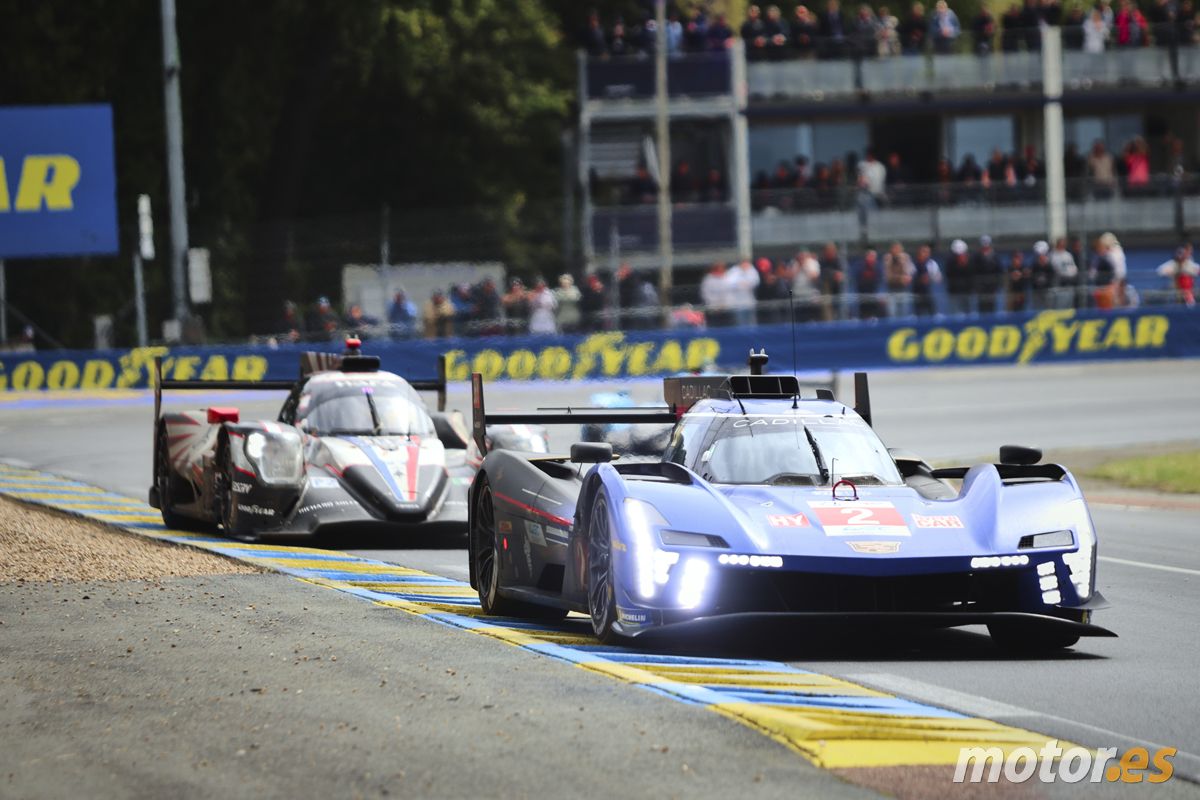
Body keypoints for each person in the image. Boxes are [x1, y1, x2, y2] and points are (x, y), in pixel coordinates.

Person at [972, 235, 1003, 313]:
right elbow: (974, 271)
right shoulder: (976, 256)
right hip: (981, 286)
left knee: (992, 304)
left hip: (992, 285)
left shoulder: (995, 255)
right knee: (982, 305)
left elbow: (999, 270)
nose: (985, 246)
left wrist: (998, 283)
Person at [883, 241, 915, 317]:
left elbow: (911, 272)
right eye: (895, 248)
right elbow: (888, 277)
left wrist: (902, 261)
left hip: (903, 289)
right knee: (892, 313)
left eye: (899, 249)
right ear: (891, 249)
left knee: (904, 312)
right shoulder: (888, 258)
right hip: (891, 290)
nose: (897, 250)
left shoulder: (905, 257)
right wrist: (900, 278)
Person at [817, 241, 846, 320]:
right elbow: (822, 274)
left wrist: (838, 275)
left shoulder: (838, 260)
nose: (831, 252)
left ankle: (842, 318)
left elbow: (843, 274)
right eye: (829, 251)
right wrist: (834, 274)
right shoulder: (822, 261)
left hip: (837, 289)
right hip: (826, 291)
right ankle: (828, 321)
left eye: (833, 250)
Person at [945, 239, 975, 314]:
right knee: (955, 313)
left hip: (967, 291)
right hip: (954, 292)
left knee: (969, 312)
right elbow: (948, 274)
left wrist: (965, 264)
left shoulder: (970, 261)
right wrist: (959, 264)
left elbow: (972, 273)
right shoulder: (950, 261)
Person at [911, 243, 942, 316]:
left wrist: (930, 278)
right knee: (918, 314)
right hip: (917, 293)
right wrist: (919, 278)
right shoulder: (913, 263)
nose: (925, 254)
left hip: (928, 292)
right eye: (924, 251)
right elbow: (910, 276)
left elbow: (938, 278)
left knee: (932, 313)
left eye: (928, 252)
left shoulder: (932, 263)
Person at [700, 262, 735, 327]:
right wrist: (716, 304)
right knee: (715, 326)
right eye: (718, 268)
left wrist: (726, 304)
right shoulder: (708, 279)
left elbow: (732, 291)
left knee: (729, 326)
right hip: (714, 308)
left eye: (722, 268)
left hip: (727, 308)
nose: (720, 270)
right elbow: (705, 293)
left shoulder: (729, 277)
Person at [1049, 237, 1080, 308]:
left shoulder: (1068, 255)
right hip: (1058, 285)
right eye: (1061, 243)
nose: (1062, 245)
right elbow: (1056, 269)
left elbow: (1074, 269)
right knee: (1059, 306)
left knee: (1069, 306)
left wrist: (1070, 273)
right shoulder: (1053, 255)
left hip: (1069, 284)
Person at [1090, 235, 1119, 309]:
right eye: (1099, 247)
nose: (1101, 248)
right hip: (1099, 287)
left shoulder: (1108, 256)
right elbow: (1093, 272)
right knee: (1100, 307)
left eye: (1102, 247)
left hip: (1108, 286)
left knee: (1108, 307)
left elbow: (1113, 270)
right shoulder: (1096, 257)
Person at [730, 259, 762, 327]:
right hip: (738, 304)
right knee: (740, 323)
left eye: (747, 264)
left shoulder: (751, 270)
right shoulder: (734, 270)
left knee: (752, 323)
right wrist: (741, 284)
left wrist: (747, 284)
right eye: (744, 264)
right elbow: (730, 283)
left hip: (750, 302)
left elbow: (756, 281)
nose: (746, 266)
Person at [856, 249, 885, 319]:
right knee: (864, 315)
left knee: (882, 307)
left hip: (875, 296)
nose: (872, 258)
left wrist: (880, 295)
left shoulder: (878, 267)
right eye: (870, 256)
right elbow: (858, 281)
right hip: (863, 297)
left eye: (874, 257)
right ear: (866, 257)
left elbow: (881, 282)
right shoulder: (860, 266)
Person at [1029, 241, 1057, 309]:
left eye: (1043, 255)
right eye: (1040, 256)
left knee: (1049, 308)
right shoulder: (1034, 265)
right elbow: (1032, 277)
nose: (1041, 257)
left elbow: (1053, 275)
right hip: (1037, 291)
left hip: (1047, 290)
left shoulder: (1049, 265)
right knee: (1037, 309)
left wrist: (1045, 264)